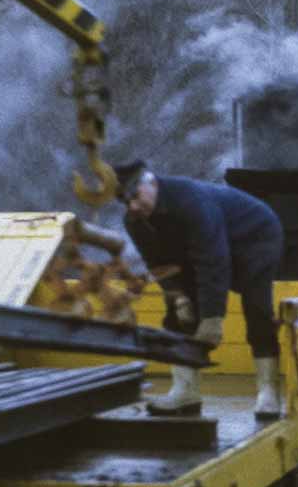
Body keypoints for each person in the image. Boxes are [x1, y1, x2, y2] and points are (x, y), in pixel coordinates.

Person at [116, 161, 286, 420]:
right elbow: (160, 265)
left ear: (150, 182)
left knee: (256, 308)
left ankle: (268, 392)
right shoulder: (135, 221)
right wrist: (180, 297)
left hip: (255, 237)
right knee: (176, 313)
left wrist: (212, 318)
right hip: (202, 249)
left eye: (136, 197)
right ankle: (185, 391)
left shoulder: (191, 202)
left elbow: (213, 261)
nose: (133, 207)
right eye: (126, 203)